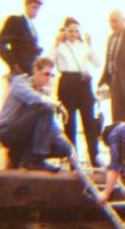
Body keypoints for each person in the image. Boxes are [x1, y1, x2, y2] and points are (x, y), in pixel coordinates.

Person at [0, 57, 73, 172]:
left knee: (64, 148)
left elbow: (50, 125)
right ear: (36, 70)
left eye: (51, 75)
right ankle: (36, 160)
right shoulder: (20, 82)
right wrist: (56, 105)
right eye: (46, 74)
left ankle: (25, 158)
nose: (48, 79)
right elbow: (32, 98)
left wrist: (70, 148)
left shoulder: (43, 94)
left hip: (27, 135)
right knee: (45, 109)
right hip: (8, 131)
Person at [49, 17, 101, 167]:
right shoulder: (60, 46)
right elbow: (49, 62)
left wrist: (90, 45)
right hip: (67, 82)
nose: (73, 34)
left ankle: (94, 157)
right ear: (64, 31)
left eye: (76, 31)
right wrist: (56, 43)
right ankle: (72, 159)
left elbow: (97, 63)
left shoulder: (83, 46)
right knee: (69, 122)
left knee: (89, 122)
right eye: (70, 31)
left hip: (84, 83)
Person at [0, 0, 44, 77]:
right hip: (20, 72)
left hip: (31, 72)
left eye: (38, 8)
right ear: (26, 6)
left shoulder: (32, 27)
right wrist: (13, 64)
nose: (36, 11)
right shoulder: (15, 21)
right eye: (34, 7)